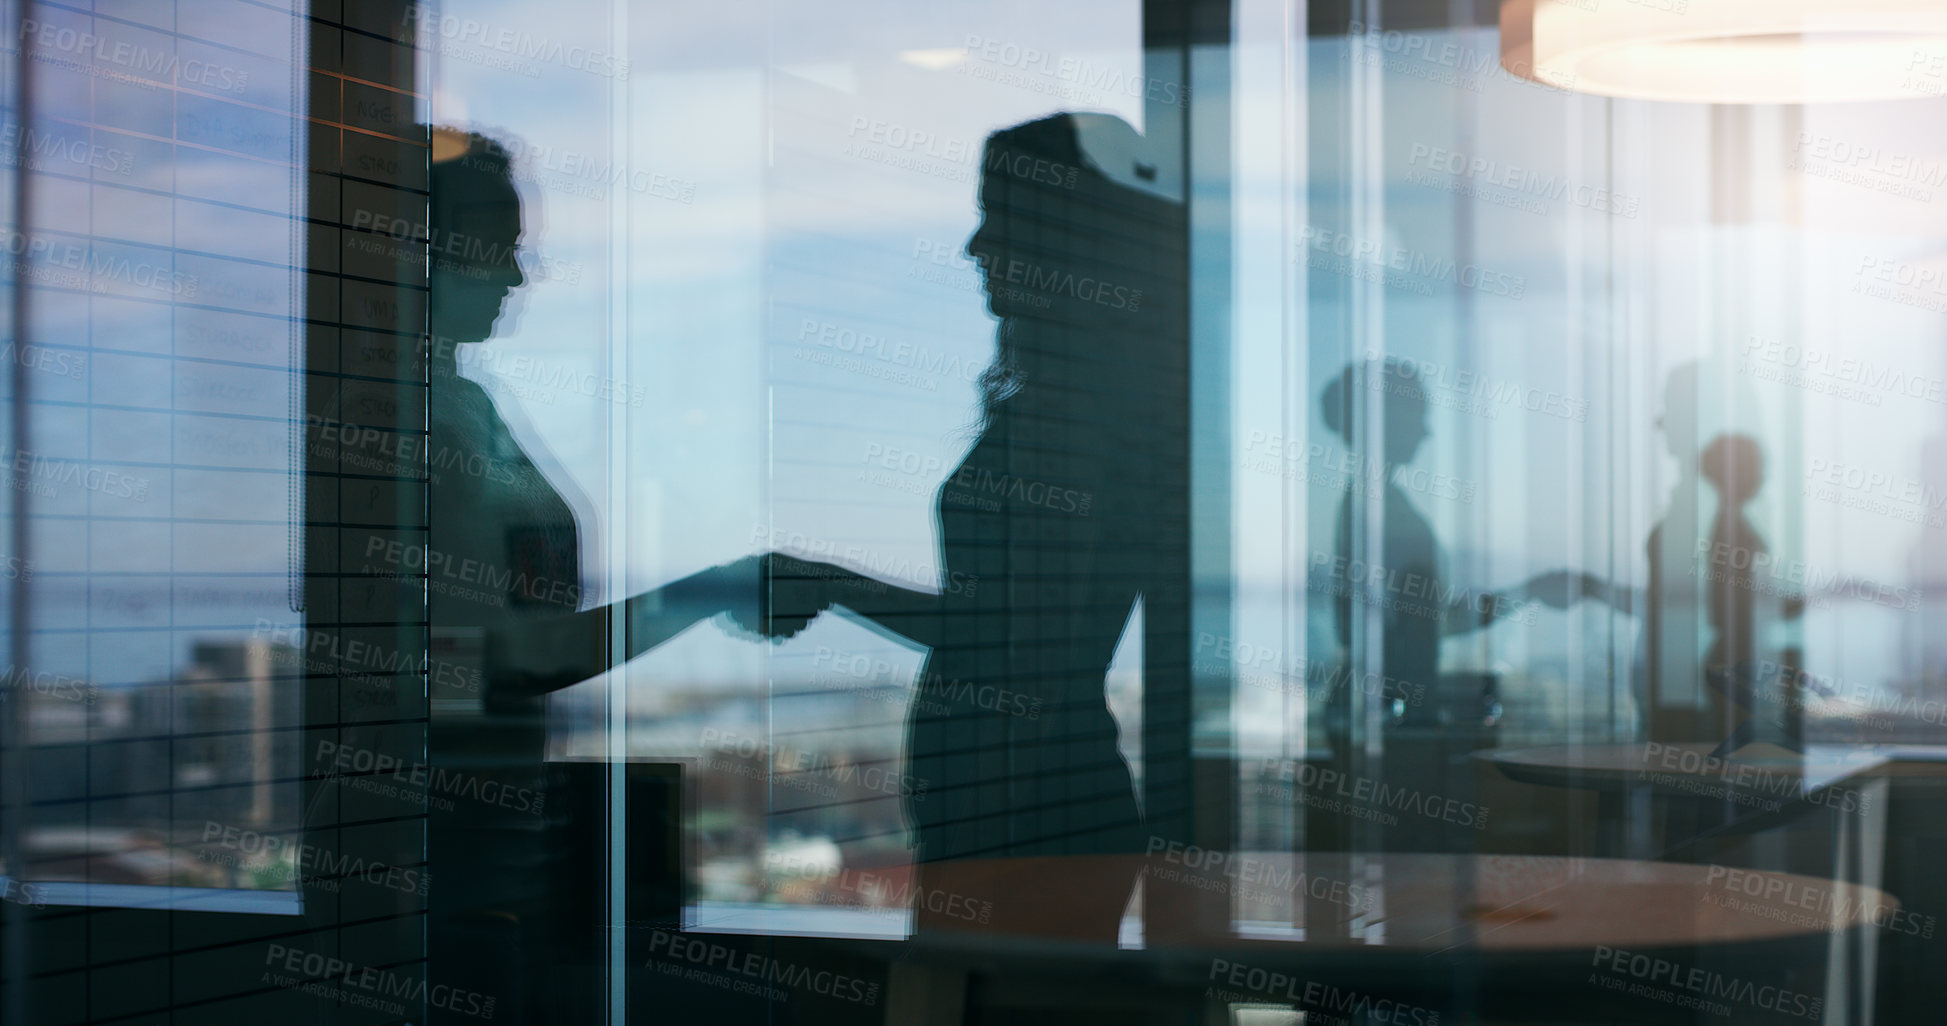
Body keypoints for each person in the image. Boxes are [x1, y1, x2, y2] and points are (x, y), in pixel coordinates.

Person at [745, 112, 1187, 943]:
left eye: (1002, 217)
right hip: (1028, 804)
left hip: (1022, 810)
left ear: (1071, 244)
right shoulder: (1087, 406)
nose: (975, 246)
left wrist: (826, 580)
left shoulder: (1072, 417)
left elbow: (1018, 643)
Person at [408, 125, 813, 1024]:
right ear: (420, 248)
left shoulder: (466, 404)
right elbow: (504, 657)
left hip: (494, 837)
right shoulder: (413, 420)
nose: (519, 277)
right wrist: (712, 591)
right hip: (438, 847)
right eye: (499, 249)